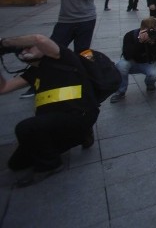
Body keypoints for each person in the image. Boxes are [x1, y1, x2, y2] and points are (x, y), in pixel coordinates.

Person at [0, 34, 99, 187]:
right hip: (55, 125)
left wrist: (6, 43)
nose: (25, 51)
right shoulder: (32, 73)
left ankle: (50, 165)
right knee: (16, 164)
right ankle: (79, 137)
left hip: (78, 116)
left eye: (28, 47)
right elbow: (3, 88)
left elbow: (39, 39)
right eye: (21, 51)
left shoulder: (61, 57)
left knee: (25, 128)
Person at [110, 17, 156, 102]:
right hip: (132, 62)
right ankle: (120, 91)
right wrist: (139, 42)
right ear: (142, 28)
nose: (150, 32)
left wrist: (152, 44)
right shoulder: (130, 35)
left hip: (148, 62)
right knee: (121, 66)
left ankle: (149, 83)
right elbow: (127, 55)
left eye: (154, 30)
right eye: (148, 30)